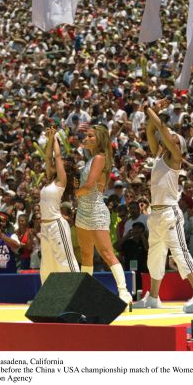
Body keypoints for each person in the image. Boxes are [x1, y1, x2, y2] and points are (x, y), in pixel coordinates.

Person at [132, 99, 193, 311]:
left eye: (172, 138)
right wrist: (153, 109)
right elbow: (151, 128)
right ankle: (153, 297)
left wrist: (149, 109)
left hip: (170, 212)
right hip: (155, 213)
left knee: (181, 253)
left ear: (177, 143)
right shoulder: (159, 156)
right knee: (155, 256)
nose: (167, 138)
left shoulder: (175, 157)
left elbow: (160, 127)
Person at [75, 125, 132, 305]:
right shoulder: (91, 159)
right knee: (85, 254)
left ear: (98, 140)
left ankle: (124, 293)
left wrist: (74, 192)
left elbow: (90, 184)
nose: (86, 138)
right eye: (86, 135)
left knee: (107, 254)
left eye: (90, 136)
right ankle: (84, 294)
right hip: (83, 211)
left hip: (95, 210)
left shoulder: (99, 158)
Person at [39, 128, 79, 284]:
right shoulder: (50, 179)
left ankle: (77, 293)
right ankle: (49, 298)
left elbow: (56, 156)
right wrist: (49, 139)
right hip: (45, 227)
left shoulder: (61, 181)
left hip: (57, 225)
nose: (54, 165)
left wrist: (55, 138)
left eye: (59, 165)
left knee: (66, 262)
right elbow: (48, 157)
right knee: (46, 266)